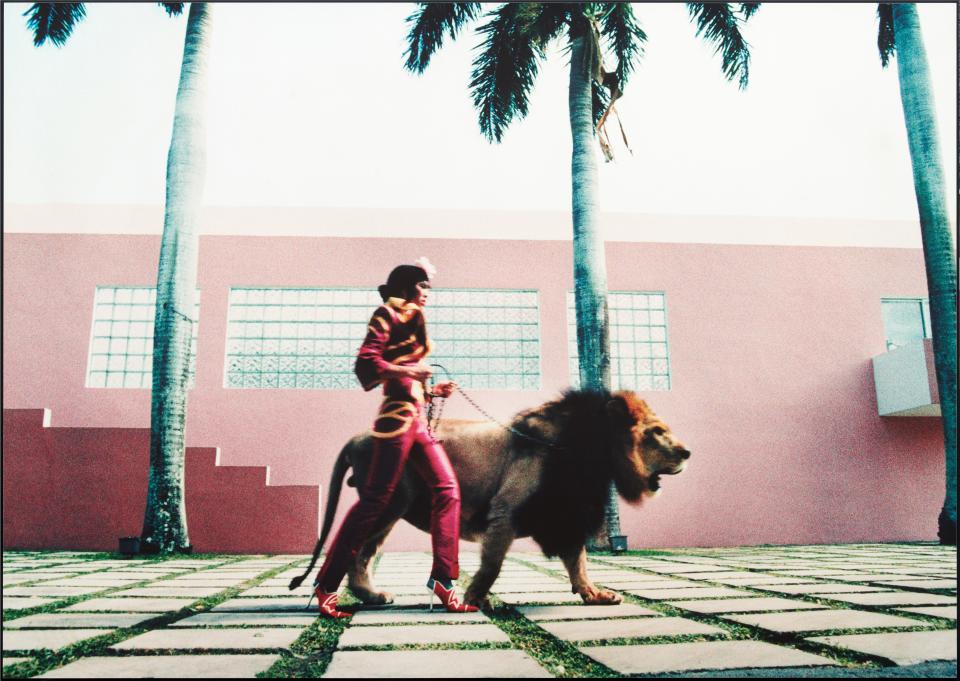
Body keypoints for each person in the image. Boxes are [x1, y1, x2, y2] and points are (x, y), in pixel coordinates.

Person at [311, 257, 479, 619]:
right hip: (395, 422)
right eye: (424, 287)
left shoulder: (412, 318)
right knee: (375, 502)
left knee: (448, 492)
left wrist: (433, 392)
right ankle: (326, 585)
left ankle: (444, 581)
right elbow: (366, 364)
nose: (427, 294)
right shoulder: (385, 314)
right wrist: (412, 370)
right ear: (406, 287)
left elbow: (406, 380)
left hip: (416, 419)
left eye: (429, 288)